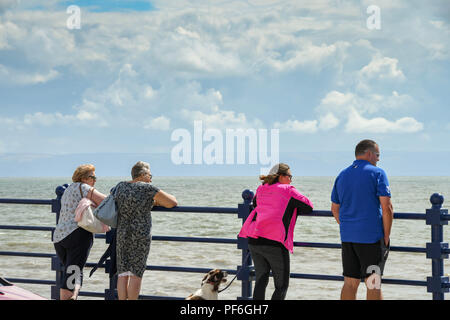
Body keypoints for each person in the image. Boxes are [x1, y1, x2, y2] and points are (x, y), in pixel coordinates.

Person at [238, 163, 313, 300]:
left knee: (261, 280)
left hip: (255, 240)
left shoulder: (261, 189)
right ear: (281, 176)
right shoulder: (288, 190)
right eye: (290, 176)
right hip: (275, 242)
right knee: (281, 285)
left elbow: (255, 205)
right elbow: (308, 206)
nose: (291, 180)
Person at [331, 139, 394, 300]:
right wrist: (386, 236)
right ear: (369, 153)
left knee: (350, 282)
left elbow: (334, 208)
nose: (378, 159)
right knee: (373, 282)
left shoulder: (342, 174)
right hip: (371, 238)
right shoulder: (377, 173)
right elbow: (387, 208)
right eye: (377, 155)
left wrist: (347, 225)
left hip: (348, 237)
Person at [115, 161, 178, 300]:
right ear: (143, 175)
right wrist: (155, 201)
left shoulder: (120, 186)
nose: (150, 179)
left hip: (122, 233)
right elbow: (172, 202)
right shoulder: (147, 188)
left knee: (123, 272)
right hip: (140, 234)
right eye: (150, 175)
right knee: (136, 273)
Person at [53, 164, 106, 300]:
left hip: (60, 238)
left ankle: (74, 296)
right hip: (77, 235)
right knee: (72, 273)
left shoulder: (68, 189)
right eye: (92, 177)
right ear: (83, 178)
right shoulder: (84, 187)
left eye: (95, 177)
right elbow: (106, 202)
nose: (95, 180)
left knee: (73, 271)